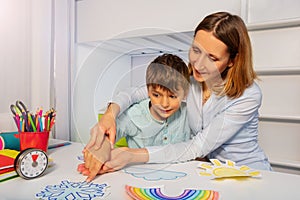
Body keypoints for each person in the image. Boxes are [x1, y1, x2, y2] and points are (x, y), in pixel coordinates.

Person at [78, 11, 272, 182]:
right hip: (210, 173)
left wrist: (132, 155)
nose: (198, 63)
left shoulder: (248, 95)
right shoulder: (189, 81)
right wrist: (110, 115)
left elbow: (197, 146)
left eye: (212, 58)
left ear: (232, 61)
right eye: (196, 50)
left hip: (248, 173)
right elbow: (135, 92)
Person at [115, 53, 191, 148]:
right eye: (156, 95)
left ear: (185, 93)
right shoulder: (134, 114)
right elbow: (107, 137)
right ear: (148, 91)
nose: (164, 104)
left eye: (172, 96)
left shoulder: (188, 114)